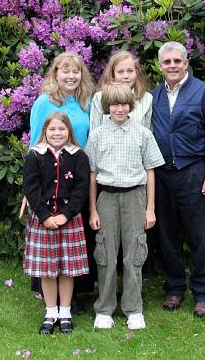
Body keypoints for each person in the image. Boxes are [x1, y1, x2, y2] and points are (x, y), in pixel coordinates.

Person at [150, 41, 205, 317]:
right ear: (160, 66)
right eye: (167, 62)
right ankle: (174, 288)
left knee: (200, 234)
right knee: (166, 235)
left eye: (177, 61)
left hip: (195, 173)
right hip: (161, 175)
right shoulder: (153, 97)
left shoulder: (204, 93)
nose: (172, 66)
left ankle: (204, 293)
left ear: (186, 64)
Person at [86, 83, 164, 330]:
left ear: (131, 106)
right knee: (106, 254)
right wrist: (93, 210)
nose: (119, 109)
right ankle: (105, 309)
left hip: (135, 198)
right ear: (107, 107)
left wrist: (150, 208)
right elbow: (91, 174)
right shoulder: (97, 134)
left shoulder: (143, 134)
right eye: (114, 105)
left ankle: (133, 308)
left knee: (135, 253)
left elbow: (151, 172)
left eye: (123, 104)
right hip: (106, 197)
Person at [26, 51, 96, 312]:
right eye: (65, 70)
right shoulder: (44, 103)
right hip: (48, 177)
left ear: (82, 75)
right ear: (55, 74)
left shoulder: (86, 101)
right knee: (50, 238)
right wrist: (29, 186)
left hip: (78, 175)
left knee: (76, 235)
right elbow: (35, 141)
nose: (71, 75)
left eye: (76, 71)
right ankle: (49, 298)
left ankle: (74, 295)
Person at [23, 112, 91, 334]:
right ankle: (50, 312)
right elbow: (30, 189)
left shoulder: (78, 155)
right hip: (43, 220)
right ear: (44, 131)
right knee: (46, 270)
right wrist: (44, 216)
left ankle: (65, 313)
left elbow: (81, 190)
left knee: (66, 270)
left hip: (68, 220)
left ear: (69, 131)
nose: (57, 133)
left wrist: (66, 214)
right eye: (52, 129)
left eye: (62, 129)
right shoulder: (35, 155)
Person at [89, 50, 152, 131]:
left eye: (130, 71)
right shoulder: (99, 97)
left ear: (136, 72)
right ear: (113, 74)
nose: (126, 76)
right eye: (120, 72)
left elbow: (147, 135)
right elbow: (94, 134)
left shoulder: (147, 98)